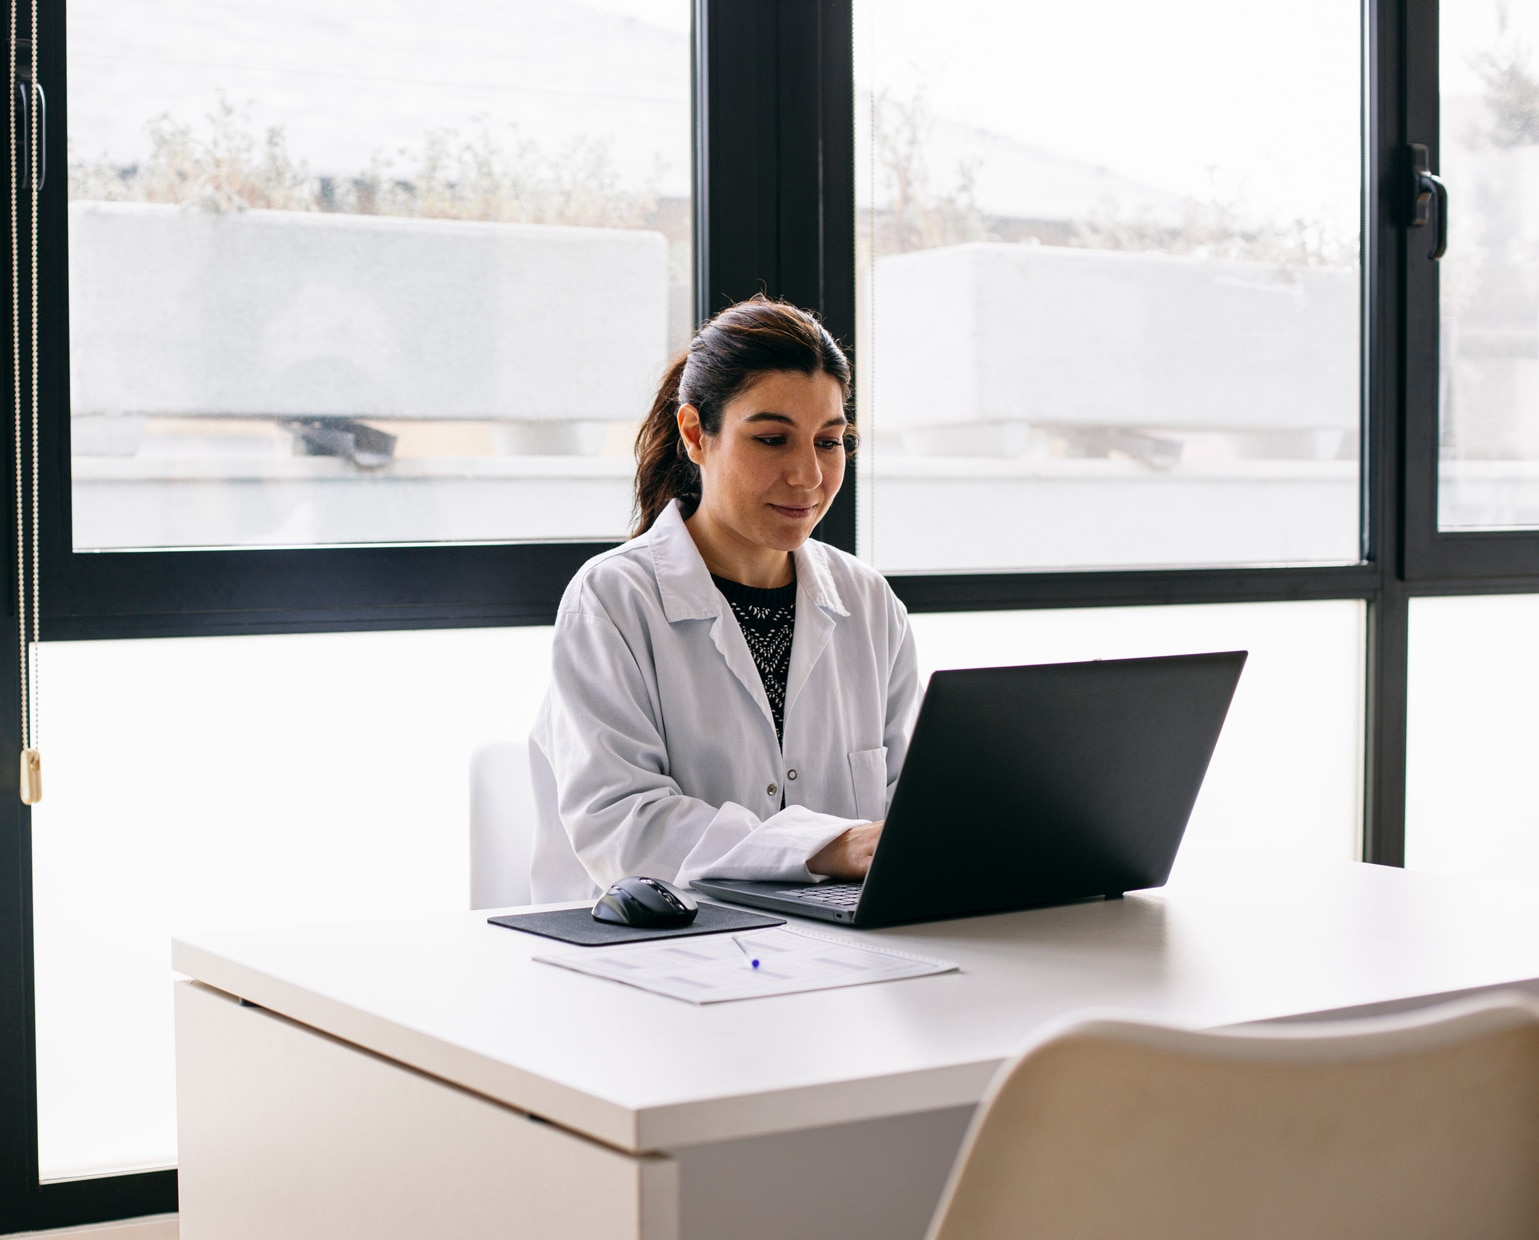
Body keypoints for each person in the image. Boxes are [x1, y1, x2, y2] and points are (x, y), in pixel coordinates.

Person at [528, 296, 919, 902]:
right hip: (657, 953)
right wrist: (824, 847)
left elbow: (913, 808)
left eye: (829, 441)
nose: (808, 476)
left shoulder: (868, 602)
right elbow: (621, 825)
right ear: (695, 435)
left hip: (837, 951)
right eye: (771, 439)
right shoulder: (613, 600)